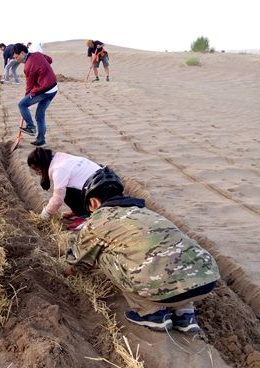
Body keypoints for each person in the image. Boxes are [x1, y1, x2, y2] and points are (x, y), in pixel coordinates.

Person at [64, 167, 220, 333]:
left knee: (103, 255)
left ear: (93, 202)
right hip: (206, 281)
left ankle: (152, 314)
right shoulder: (144, 212)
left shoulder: (97, 221)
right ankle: (185, 314)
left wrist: (67, 272)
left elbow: (79, 260)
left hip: (164, 292)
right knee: (172, 253)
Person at [27, 147, 101, 230]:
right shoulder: (60, 159)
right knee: (68, 188)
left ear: (41, 165)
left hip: (100, 193)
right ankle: (80, 210)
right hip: (102, 184)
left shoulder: (59, 169)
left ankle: (85, 217)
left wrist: (44, 215)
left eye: (37, 170)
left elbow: (58, 200)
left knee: (65, 193)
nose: (38, 173)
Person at [13, 43, 57, 146]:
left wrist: (26, 96)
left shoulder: (28, 66)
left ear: (23, 53)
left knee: (22, 104)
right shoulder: (38, 54)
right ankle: (41, 139)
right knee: (39, 115)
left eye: (16, 57)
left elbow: (29, 85)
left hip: (45, 89)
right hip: (53, 88)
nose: (16, 59)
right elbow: (50, 60)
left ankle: (30, 127)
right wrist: (42, 69)